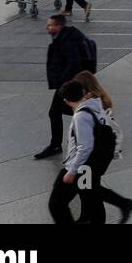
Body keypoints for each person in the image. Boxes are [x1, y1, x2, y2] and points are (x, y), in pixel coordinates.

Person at [69, 71, 132, 222]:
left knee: (89, 188)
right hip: (99, 155)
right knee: (86, 186)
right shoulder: (100, 100)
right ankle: (88, 214)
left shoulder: (91, 105)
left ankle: (122, 204)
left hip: (93, 155)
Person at [48, 80, 115, 225]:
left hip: (80, 166)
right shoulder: (96, 106)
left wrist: (71, 171)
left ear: (66, 100)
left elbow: (85, 147)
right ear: (84, 92)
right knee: (93, 200)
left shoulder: (81, 116)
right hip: (93, 164)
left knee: (56, 203)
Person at [35, 13, 90, 160]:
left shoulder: (67, 42)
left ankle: (56, 145)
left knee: (55, 112)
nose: (47, 27)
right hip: (68, 83)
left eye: (50, 25)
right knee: (66, 111)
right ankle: (95, 125)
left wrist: (63, 82)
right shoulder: (63, 38)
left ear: (59, 26)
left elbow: (73, 63)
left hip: (68, 84)